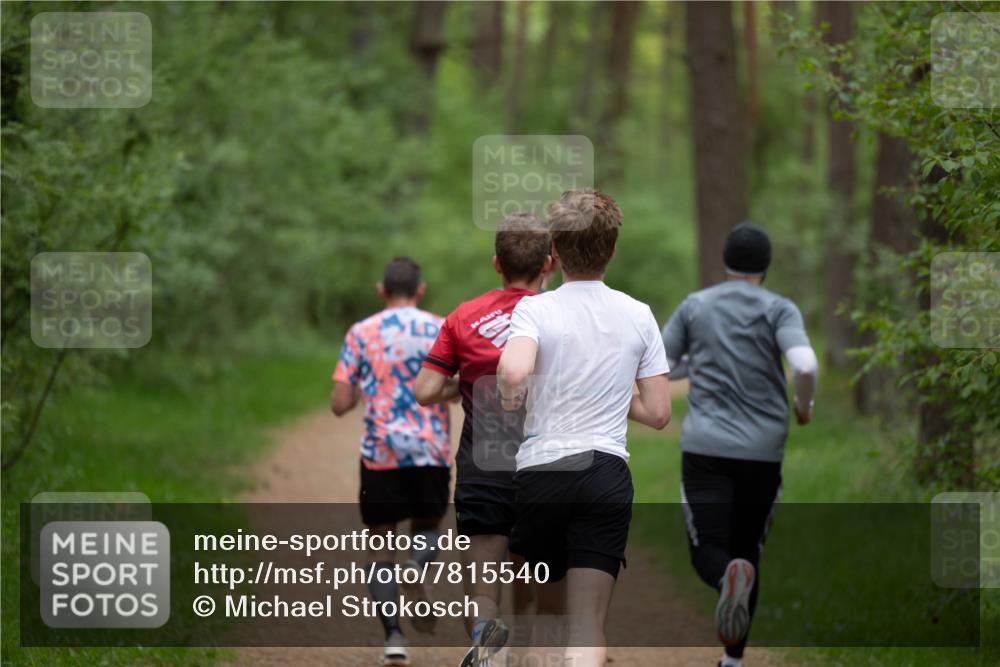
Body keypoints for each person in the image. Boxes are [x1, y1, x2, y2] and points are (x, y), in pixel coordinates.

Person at [497, 189, 672, 667]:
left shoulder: (536, 309)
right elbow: (658, 413)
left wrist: (514, 393)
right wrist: (609, 394)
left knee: (548, 615)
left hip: (544, 472)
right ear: (612, 249)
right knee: (587, 623)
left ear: (554, 251)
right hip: (605, 472)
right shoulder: (639, 315)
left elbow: (513, 374)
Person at [660, 221, 818, 667]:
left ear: (725, 263)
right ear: (765, 267)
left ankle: (725, 576)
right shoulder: (780, 309)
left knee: (708, 548)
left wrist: (695, 365)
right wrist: (803, 406)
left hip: (706, 448)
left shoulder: (696, 306)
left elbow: (660, 363)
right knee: (748, 552)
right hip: (763, 451)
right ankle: (733, 660)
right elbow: (804, 363)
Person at [414, 213, 554, 667]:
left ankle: (486, 641)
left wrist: (468, 384)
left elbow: (425, 391)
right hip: (546, 464)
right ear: (549, 264)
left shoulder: (463, 317)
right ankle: (527, 654)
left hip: (483, 461)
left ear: (497, 264)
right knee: (530, 574)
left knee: (483, 580)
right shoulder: (562, 317)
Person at [331, 256, 451, 667]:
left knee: (381, 547)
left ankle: (394, 639)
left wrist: (369, 386)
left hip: (380, 453)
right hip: (430, 450)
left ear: (381, 290)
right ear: (421, 289)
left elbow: (340, 403)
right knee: (429, 526)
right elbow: (452, 389)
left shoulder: (361, 332)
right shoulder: (440, 328)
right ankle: (417, 566)